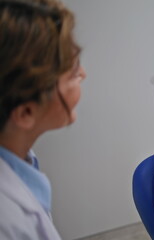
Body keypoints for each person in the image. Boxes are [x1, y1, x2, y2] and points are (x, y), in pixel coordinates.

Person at [0, 0, 86, 239]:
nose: (83, 74)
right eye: (72, 72)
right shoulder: (7, 223)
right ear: (25, 113)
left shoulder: (22, 157)